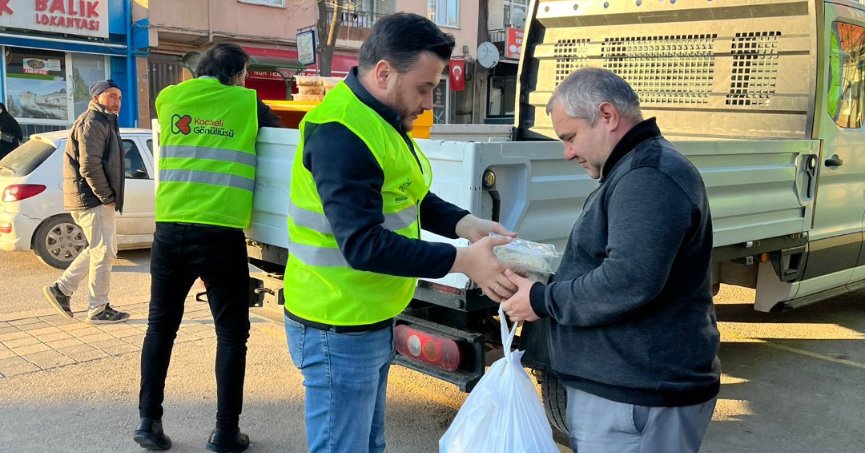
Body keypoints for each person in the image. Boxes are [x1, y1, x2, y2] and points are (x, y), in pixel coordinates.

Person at [283, 12, 516, 453]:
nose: (429, 101)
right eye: (424, 88)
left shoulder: (378, 118)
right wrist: (463, 260)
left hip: (365, 317)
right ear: (385, 73)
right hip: (336, 324)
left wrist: (466, 224)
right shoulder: (342, 133)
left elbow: (409, 194)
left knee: (369, 444)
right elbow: (363, 245)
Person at [502, 68, 721, 453]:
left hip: (638, 398)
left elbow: (628, 280)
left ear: (607, 115)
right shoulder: (636, 170)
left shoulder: (648, 177)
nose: (567, 152)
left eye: (569, 138)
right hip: (631, 393)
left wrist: (541, 300)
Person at [134, 42, 281, 453]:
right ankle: (225, 433)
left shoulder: (168, 97)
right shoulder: (248, 104)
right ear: (237, 74)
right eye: (244, 75)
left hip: (169, 231)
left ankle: (149, 422)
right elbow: (281, 145)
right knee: (232, 335)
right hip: (219, 235)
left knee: (160, 327)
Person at [42, 80, 130, 324]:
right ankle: (98, 308)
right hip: (93, 199)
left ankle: (62, 289)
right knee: (103, 252)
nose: (117, 101)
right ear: (97, 97)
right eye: (112, 96)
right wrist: (106, 196)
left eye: (120, 97)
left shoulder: (103, 121)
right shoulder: (92, 122)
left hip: (93, 199)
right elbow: (89, 166)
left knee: (101, 249)